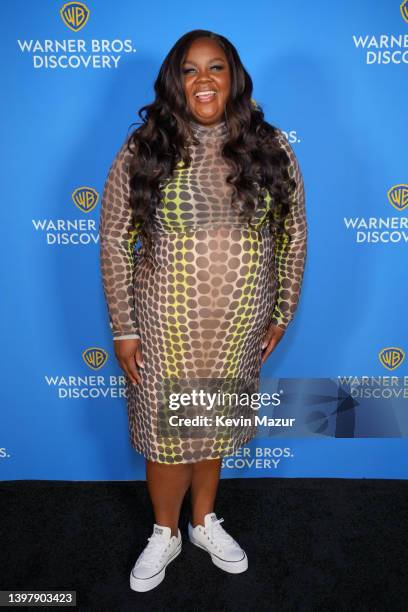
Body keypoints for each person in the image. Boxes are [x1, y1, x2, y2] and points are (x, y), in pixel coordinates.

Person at [99, 29, 307, 592]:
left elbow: (292, 235)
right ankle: (164, 531)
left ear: (233, 76)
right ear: (175, 81)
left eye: (215, 68)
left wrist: (282, 310)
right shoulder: (146, 147)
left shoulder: (272, 147)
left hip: (240, 321)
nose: (204, 80)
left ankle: (202, 522)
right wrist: (124, 328)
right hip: (166, 322)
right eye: (190, 70)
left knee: (211, 426)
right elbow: (116, 237)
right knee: (171, 434)